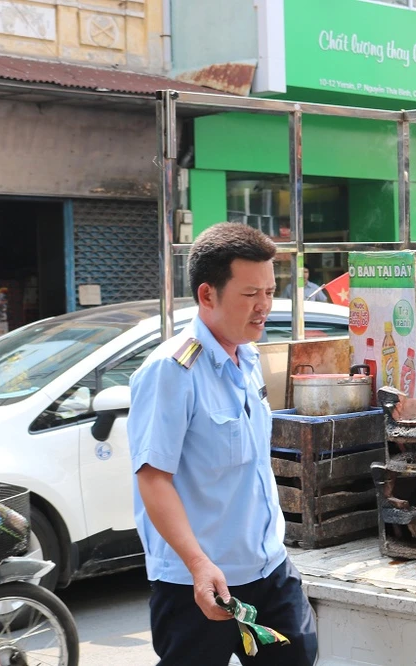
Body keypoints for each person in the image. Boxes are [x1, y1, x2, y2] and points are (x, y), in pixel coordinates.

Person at [127, 223, 317, 666]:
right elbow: (153, 480)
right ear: (207, 295)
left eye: (269, 292)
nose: (264, 306)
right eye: (250, 294)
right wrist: (198, 565)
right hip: (198, 583)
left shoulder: (248, 357)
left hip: (268, 569)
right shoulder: (172, 370)